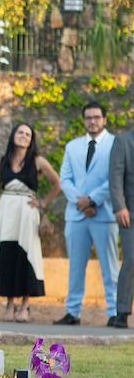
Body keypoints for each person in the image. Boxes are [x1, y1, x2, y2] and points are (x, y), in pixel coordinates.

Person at [0, 123, 61, 322]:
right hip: (6, 208)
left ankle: (25, 306)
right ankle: (10, 304)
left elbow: (57, 183)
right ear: (13, 135)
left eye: (28, 134)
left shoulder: (38, 161)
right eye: (20, 132)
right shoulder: (0, 162)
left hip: (27, 210)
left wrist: (43, 202)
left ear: (31, 139)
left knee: (26, 253)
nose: (24, 136)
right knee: (6, 253)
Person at [56, 100, 119, 326]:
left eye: (96, 117)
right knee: (75, 266)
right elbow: (65, 179)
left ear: (104, 119)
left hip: (105, 214)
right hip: (76, 215)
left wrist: (92, 200)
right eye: (88, 117)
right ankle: (72, 312)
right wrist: (81, 202)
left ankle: (114, 312)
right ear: (84, 120)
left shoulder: (115, 144)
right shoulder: (72, 146)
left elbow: (115, 178)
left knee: (110, 267)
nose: (92, 121)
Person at [109, 125, 134, 328]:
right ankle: (122, 312)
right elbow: (115, 177)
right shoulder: (123, 141)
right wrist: (120, 206)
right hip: (129, 214)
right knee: (131, 259)